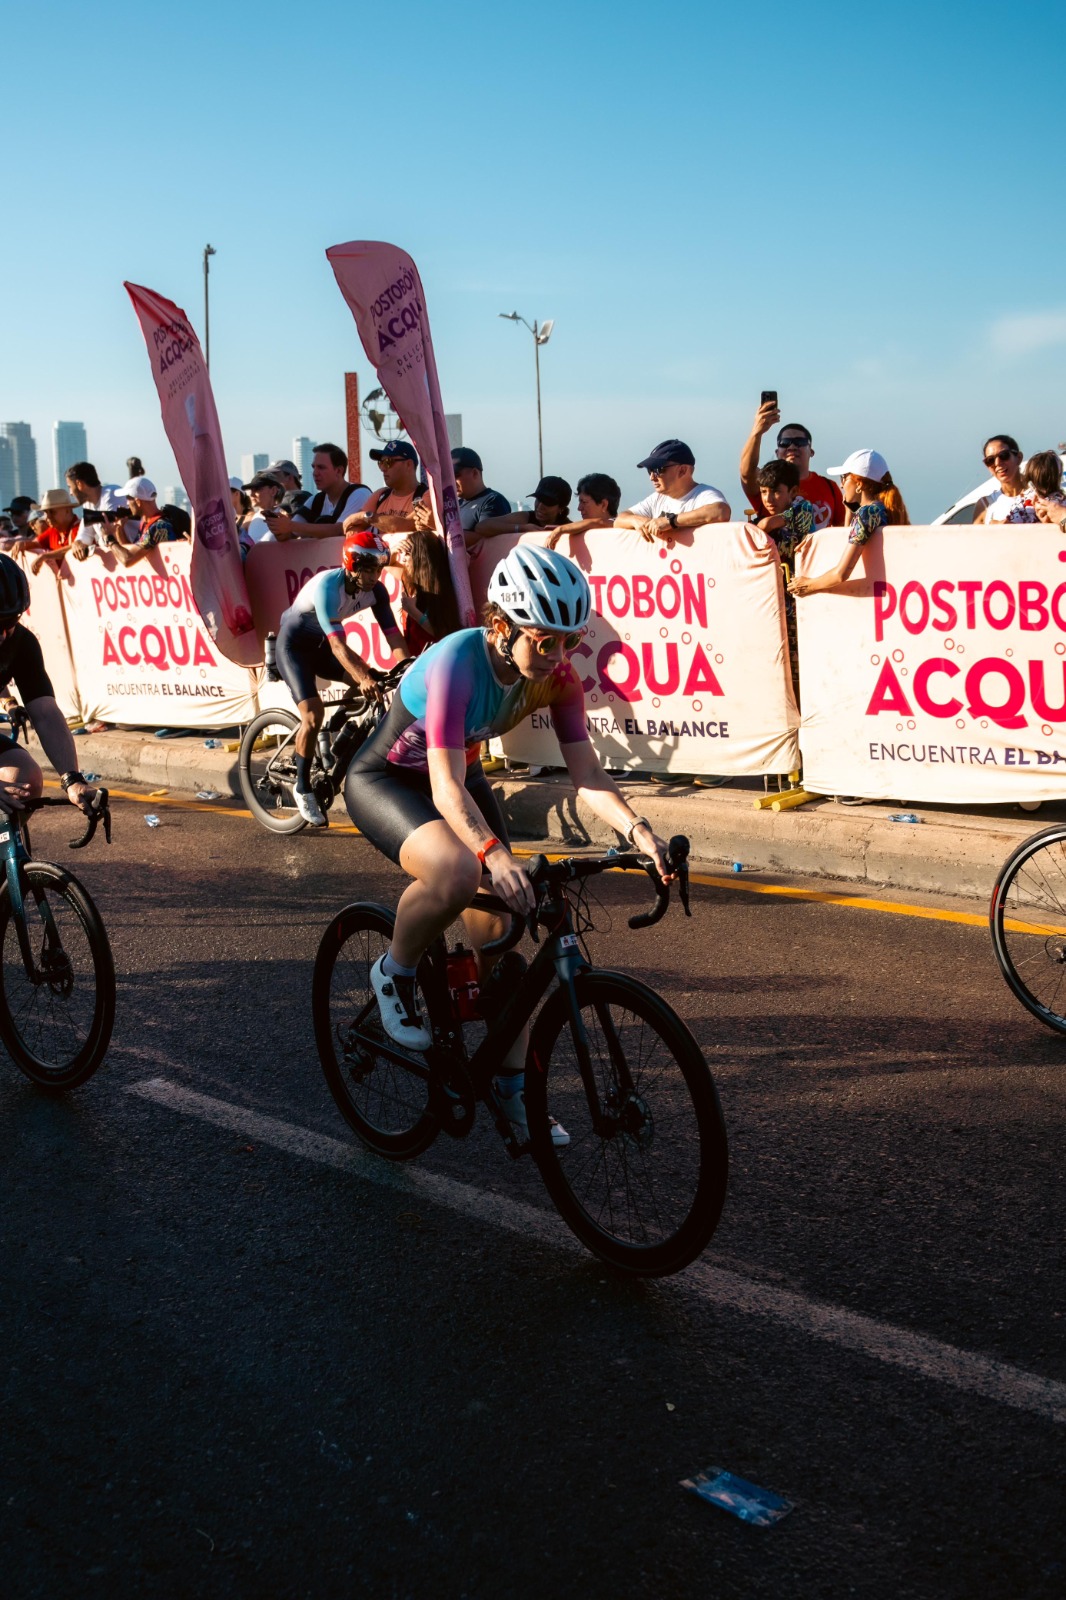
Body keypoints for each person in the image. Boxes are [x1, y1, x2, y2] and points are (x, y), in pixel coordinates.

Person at [342, 544, 675, 1143]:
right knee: (456, 873)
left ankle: (514, 1094)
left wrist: (639, 832)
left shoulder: (558, 679)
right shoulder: (456, 662)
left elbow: (589, 777)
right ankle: (393, 970)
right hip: (389, 780)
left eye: (570, 641)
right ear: (500, 626)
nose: (559, 656)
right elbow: (442, 787)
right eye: (545, 641)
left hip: (459, 779)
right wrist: (493, 852)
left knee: (504, 931)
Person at [276, 529, 408, 827]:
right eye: (370, 569)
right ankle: (302, 786)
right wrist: (362, 675)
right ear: (352, 565)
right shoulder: (327, 588)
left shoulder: (376, 591)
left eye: (379, 568)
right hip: (294, 648)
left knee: (372, 685)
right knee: (311, 714)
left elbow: (393, 636)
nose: (376, 575)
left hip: (322, 647)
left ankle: (334, 731)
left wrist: (409, 667)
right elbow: (338, 645)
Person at [0, 554, 100, 819]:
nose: (3, 634)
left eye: (10, 622)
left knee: (24, 781)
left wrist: (72, 779)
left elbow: (45, 712)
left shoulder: (21, 643)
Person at [789, 449, 909, 598]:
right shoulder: (881, 509)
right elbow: (845, 541)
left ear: (859, 484)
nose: (841, 485)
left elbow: (841, 573)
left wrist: (807, 585)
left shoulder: (867, 514)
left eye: (844, 478)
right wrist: (849, 511)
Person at [739, 401, 845, 530]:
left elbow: (842, 530)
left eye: (800, 442)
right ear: (777, 453)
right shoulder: (765, 483)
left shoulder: (830, 487)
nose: (792, 447)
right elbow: (746, 473)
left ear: (811, 451)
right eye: (784, 443)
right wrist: (757, 432)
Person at [615, 440, 730, 543]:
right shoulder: (656, 498)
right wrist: (636, 520)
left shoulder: (704, 494)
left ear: (682, 470)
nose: (652, 477)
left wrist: (671, 521)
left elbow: (720, 511)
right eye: (649, 471)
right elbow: (619, 520)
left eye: (657, 470)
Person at [270, 444, 370, 540]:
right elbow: (289, 534)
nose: (315, 473)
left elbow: (340, 529)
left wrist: (290, 525)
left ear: (339, 471)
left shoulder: (359, 494)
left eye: (321, 467)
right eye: (314, 467)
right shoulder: (316, 500)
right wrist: (278, 527)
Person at [390, 528, 461, 655]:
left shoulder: (440, 591)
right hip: (414, 666)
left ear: (421, 558)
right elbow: (388, 565)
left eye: (407, 554)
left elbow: (444, 636)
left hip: (434, 666)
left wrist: (413, 611)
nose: (403, 560)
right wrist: (393, 552)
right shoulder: (411, 581)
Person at [103, 477, 179, 568]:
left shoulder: (158, 527)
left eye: (128, 498)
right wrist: (120, 530)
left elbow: (128, 559)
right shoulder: (146, 523)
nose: (126, 503)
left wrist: (109, 538)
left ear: (138, 502)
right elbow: (133, 550)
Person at [474, 476, 573, 541]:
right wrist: (521, 528)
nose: (540, 506)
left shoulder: (570, 528)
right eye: (538, 499)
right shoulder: (525, 518)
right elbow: (481, 527)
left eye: (548, 503)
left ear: (561, 508)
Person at [66, 461, 126, 562]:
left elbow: (112, 532)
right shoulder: (88, 503)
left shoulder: (112, 494)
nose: (70, 493)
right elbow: (85, 535)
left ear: (79, 484)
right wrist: (77, 543)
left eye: (70, 487)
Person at [545, 473, 622, 548]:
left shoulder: (621, 525)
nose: (579, 508)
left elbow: (601, 523)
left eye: (584, 502)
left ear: (603, 505)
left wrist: (561, 530)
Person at [972, 435, 1035, 523]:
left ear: (1019, 458)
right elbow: (974, 536)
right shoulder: (985, 505)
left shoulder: (1040, 494)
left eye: (1004, 455)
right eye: (990, 460)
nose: (997, 463)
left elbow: (1061, 525)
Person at [239, 471, 286, 554]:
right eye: (251, 490)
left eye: (257, 489)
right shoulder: (251, 520)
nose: (252, 494)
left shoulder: (284, 517)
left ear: (273, 491)